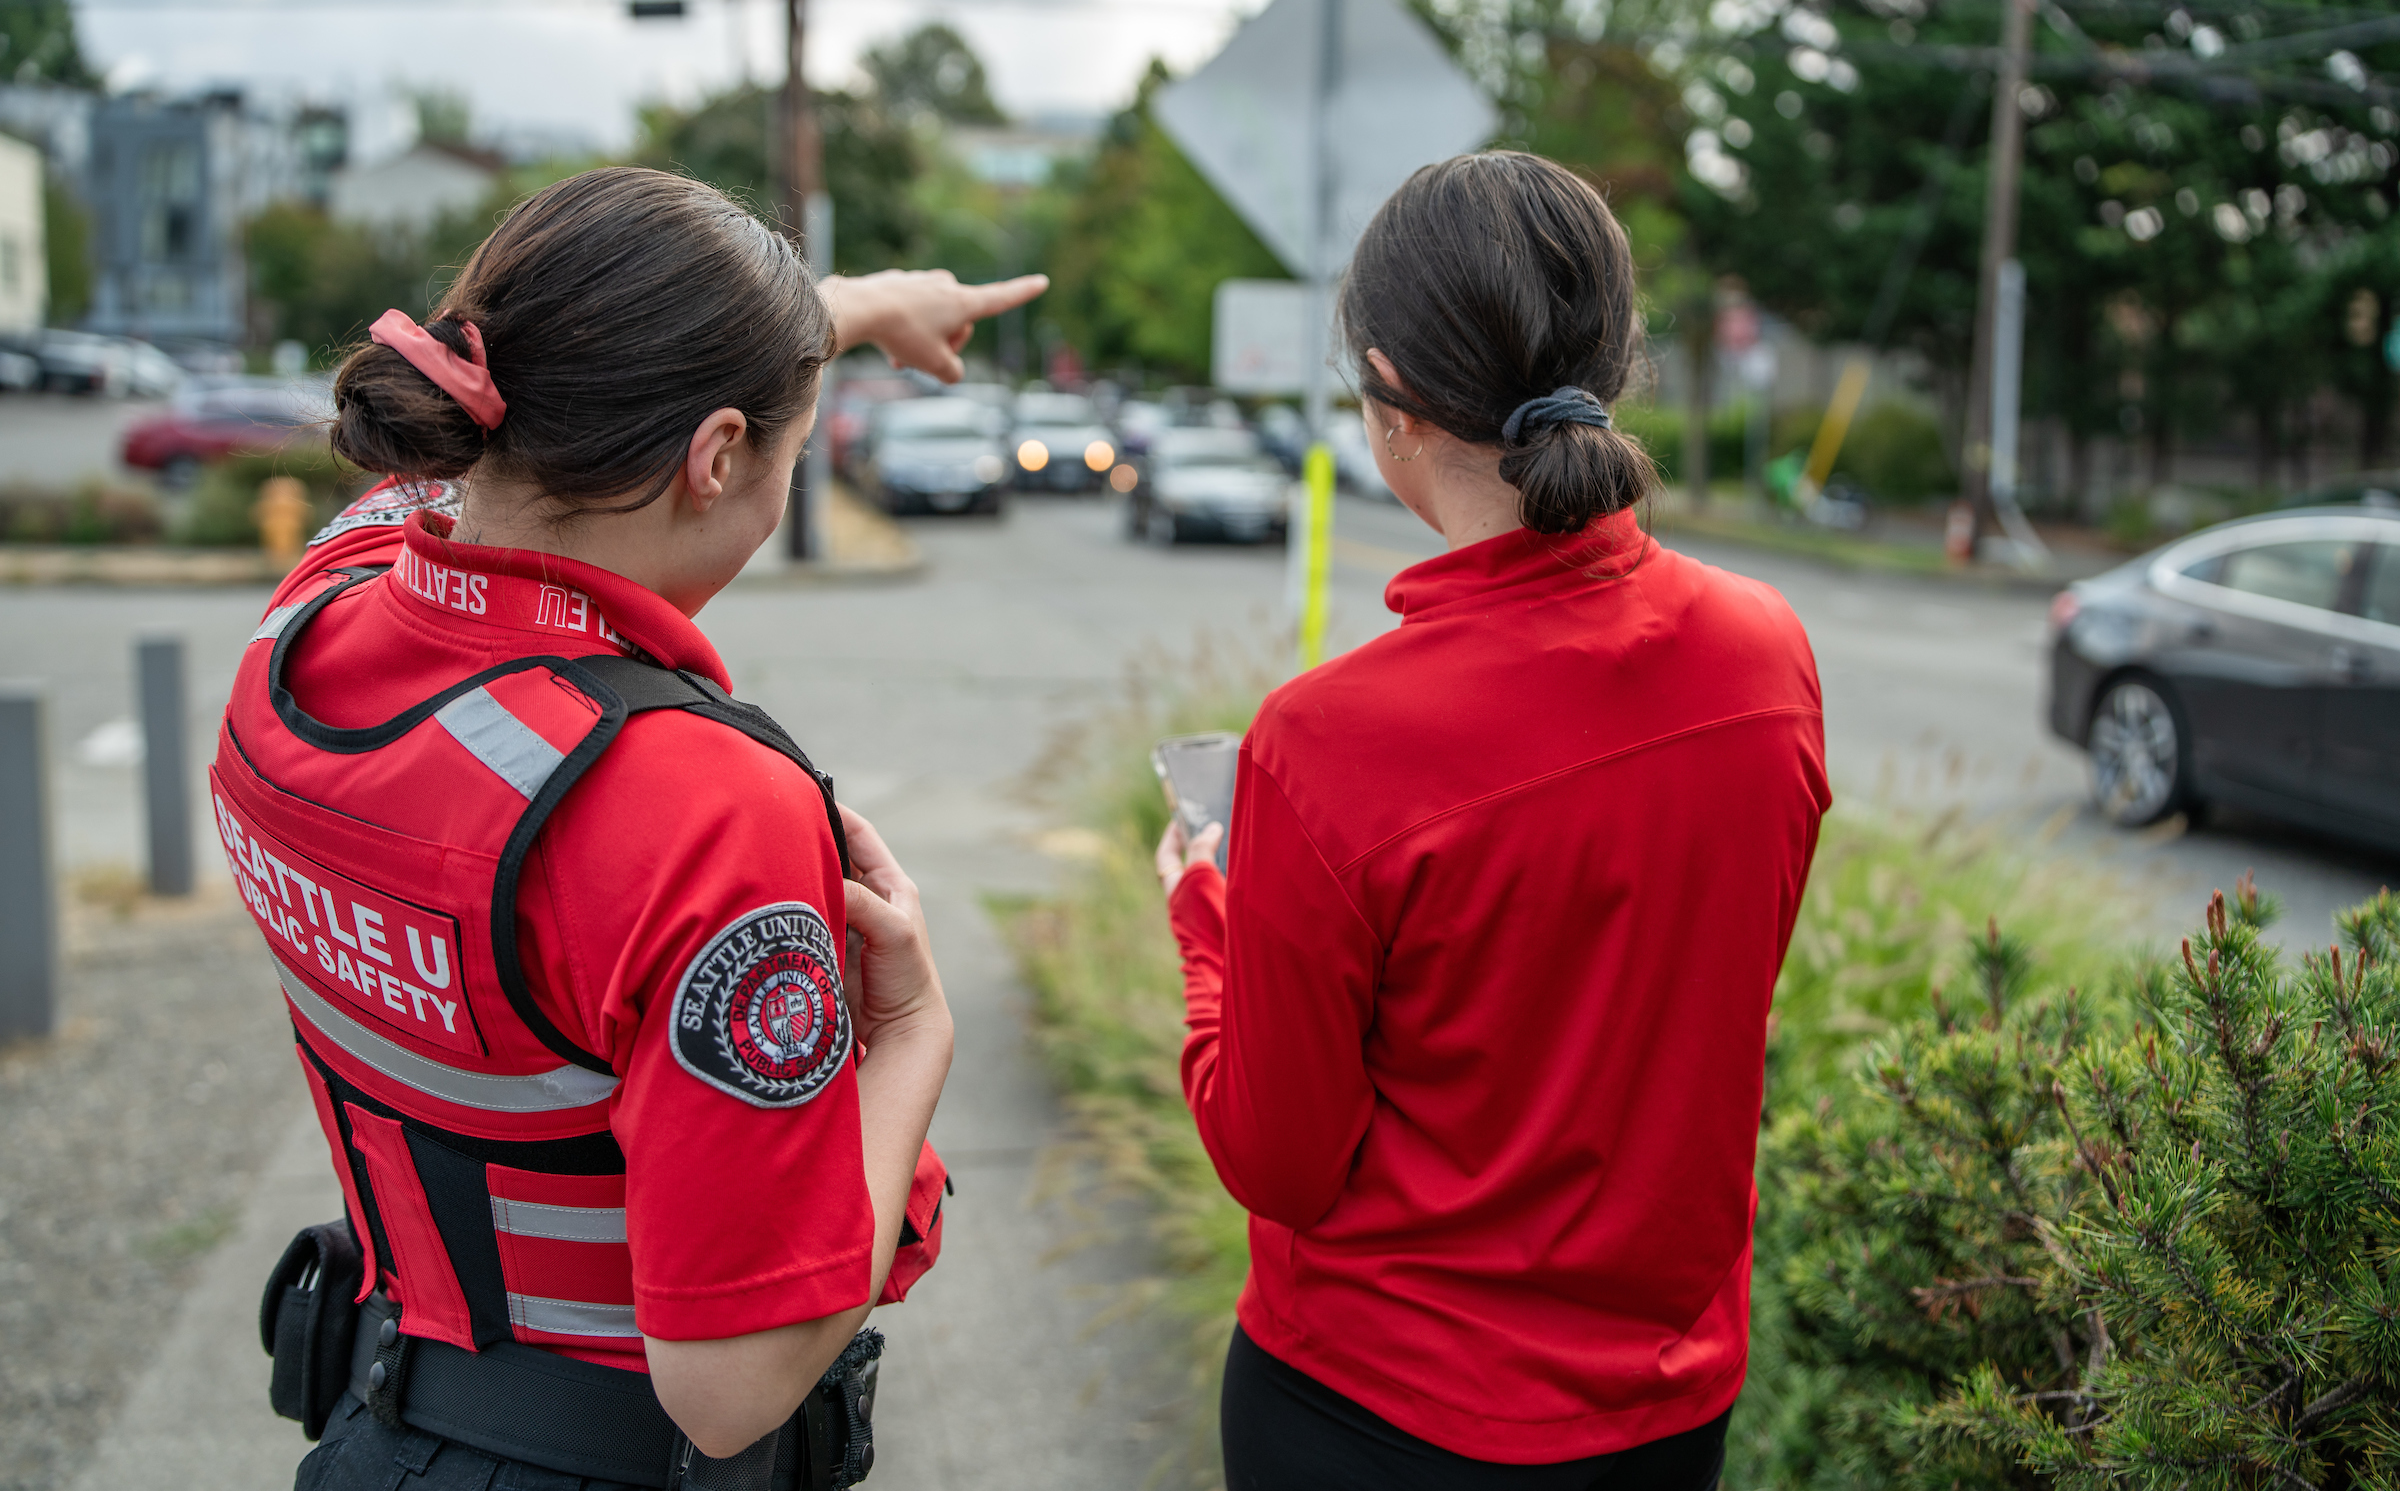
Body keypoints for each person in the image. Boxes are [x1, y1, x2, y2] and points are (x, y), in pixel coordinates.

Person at [216, 165, 1042, 1490]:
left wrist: (852, 308)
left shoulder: (310, 615)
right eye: (794, 437)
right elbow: (732, 1386)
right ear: (718, 455)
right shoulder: (695, 810)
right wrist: (913, 1034)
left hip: (376, 1426)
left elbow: (508, 436)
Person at [1154, 152, 1829, 1491]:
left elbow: (1279, 1159)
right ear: (1619, 361)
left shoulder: (1327, 745)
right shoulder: (1767, 657)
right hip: (1664, 1415)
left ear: (1386, 400)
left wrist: (1207, 913)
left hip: (1370, 1408)